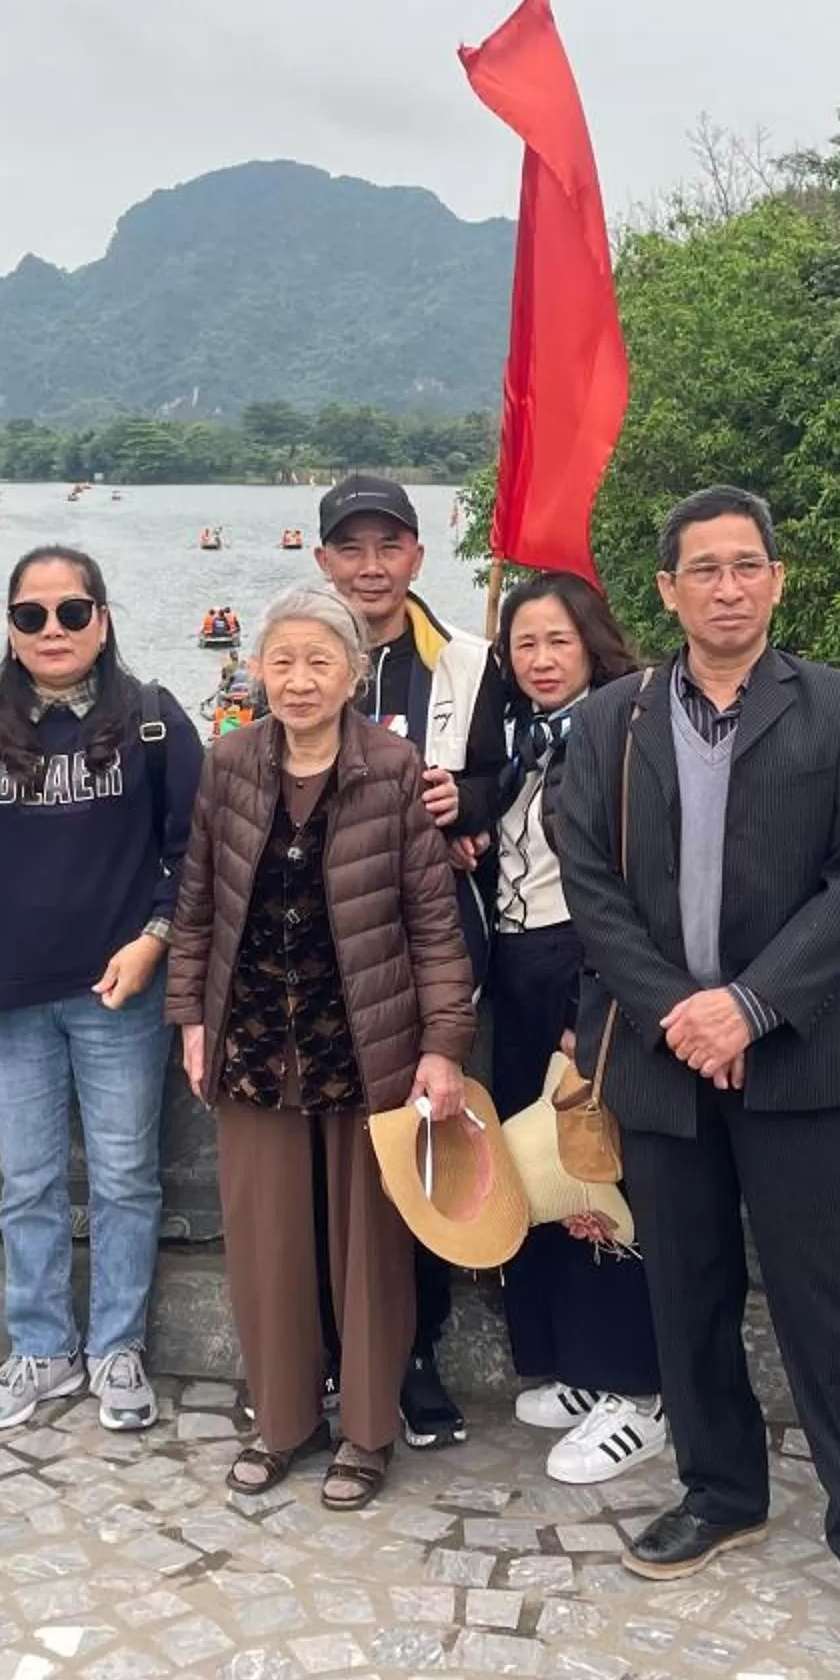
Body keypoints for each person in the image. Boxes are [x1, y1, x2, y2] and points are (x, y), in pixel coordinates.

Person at [551, 487, 840, 1668]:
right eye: (703, 570)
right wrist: (680, 1012)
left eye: (746, 566)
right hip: (663, 1056)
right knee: (689, 1290)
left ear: (777, 578)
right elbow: (587, 882)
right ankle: (720, 1489)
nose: (727, 587)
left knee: (831, 1302)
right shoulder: (611, 721)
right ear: (667, 590)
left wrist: (751, 1007)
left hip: (797, 1053)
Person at [168, 583, 475, 1512]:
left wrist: (443, 1044)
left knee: (368, 1250)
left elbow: (433, 923)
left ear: (352, 674)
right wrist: (191, 1018)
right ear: (257, 670)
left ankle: (368, 1431)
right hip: (255, 1036)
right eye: (283, 661)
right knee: (267, 1244)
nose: (299, 680)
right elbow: (197, 906)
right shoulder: (229, 763)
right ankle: (283, 1420)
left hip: (365, 1042)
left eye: (320, 662)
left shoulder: (392, 769)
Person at [0, 544, 199, 1436]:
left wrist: (153, 941)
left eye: (72, 611)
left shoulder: (153, 722)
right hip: (8, 996)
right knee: (27, 1182)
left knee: (125, 1178)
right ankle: (40, 1345)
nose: (52, 630)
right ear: (10, 628)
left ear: (102, 621)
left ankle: (117, 1346)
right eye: (30, 615)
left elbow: (195, 854)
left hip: (121, 993)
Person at [310, 472, 511, 1447]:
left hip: (429, 950)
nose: (371, 566)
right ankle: (323, 1350)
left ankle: (415, 1354)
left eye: (388, 546)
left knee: (419, 1155)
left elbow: (509, 775)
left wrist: (466, 804)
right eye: (351, 548)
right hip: (316, 953)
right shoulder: (298, 658)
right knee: (319, 1166)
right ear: (323, 561)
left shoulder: (471, 662)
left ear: (418, 557)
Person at [484, 572, 664, 1485]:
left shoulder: (628, 735)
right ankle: (580, 1363)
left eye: (559, 640)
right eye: (525, 643)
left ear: (594, 641)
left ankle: (639, 1391)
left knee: (599, 1177)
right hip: (518, 971)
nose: (542, 659)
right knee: (542, 1176)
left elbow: (632, 883)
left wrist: (586, 1009)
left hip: (585, 977)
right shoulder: (520, 740)